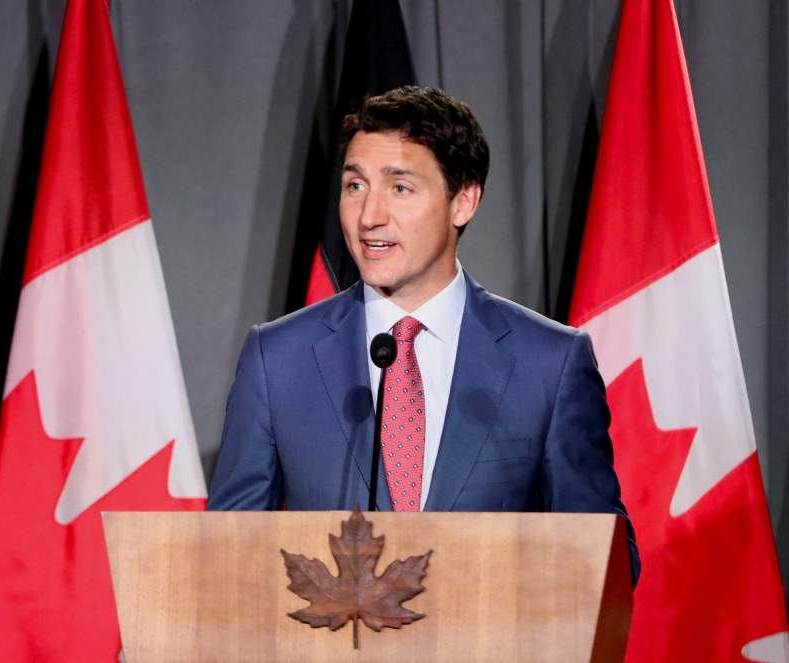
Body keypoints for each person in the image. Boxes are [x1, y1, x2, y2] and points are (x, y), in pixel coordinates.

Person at [206, 86, 638, 583]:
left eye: (400, 188)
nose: (369, 216)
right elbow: (226, 558)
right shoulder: (279, 359)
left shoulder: (549, 364)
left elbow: (607, 566)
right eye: (354, 186)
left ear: (464, 201)